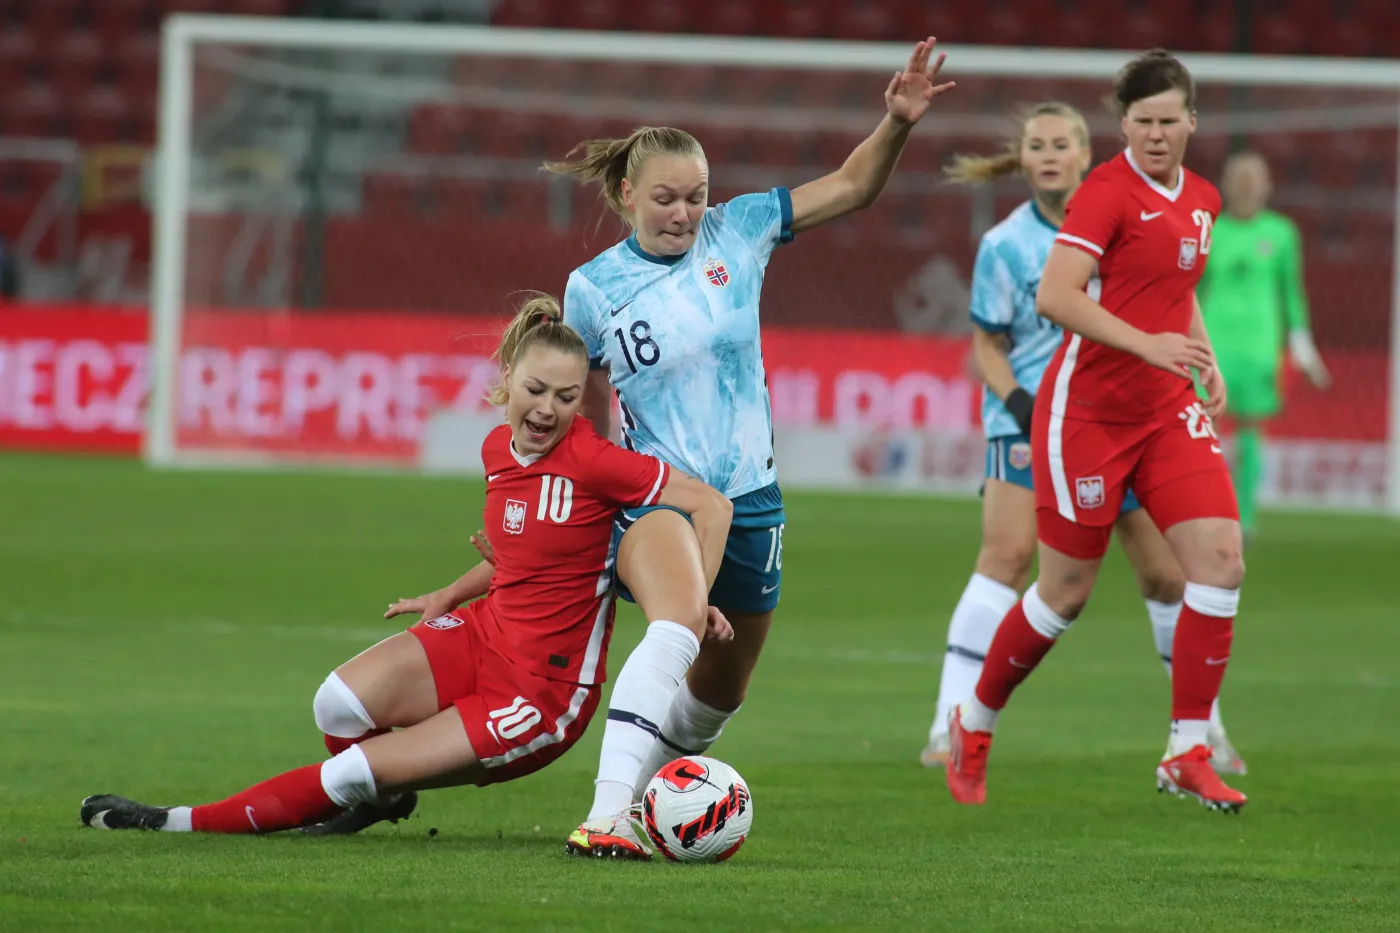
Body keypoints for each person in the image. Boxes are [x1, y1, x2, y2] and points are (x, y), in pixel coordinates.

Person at [78, 294, 735, 838]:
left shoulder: (593, 460)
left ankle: (175, 822)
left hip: (536, 695)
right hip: (483, 635)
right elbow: (524, 558)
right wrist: (451, 591)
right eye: (536, 389)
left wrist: (697, 599)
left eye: (566, 397)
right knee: (336, 704)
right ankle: (378, 797)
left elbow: (710, 504)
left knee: (347, 770)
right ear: (506, 378)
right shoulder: (496, 450)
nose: (548, 410)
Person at [544, 38, 956, 858]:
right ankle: (606, 810)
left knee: (716, 698)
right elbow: (577, 402)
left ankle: (645, 801)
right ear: (627, 194)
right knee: (675, 628)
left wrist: (896, 123)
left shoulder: (741, 231)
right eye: (666, 198)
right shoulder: (593, 288)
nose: (684, 213)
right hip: (659, 494)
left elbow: (851, 185)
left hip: (753, 500)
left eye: (696, 197)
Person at [944, 50, 1248, 812]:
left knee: (1217, 561)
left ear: (1191, 122)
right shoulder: (1106, 194)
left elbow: (1177, 292)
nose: (1154, 134)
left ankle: (1187, 747)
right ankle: (973, 720)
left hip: (1164, 412)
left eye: (1167, 120)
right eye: (1141, 122)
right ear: (1122, 126)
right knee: (1063, 594)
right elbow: (1054, 295)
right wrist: (1148, 345)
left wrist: (1202, 359)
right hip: (1084, 416)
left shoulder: (1203, 198)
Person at [1199, 151, 1329, 543]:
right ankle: (1207, 511)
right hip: (1212, 348)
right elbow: (1192, 291)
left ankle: (1245, 517)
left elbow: (1292, 294)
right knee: (1205, 432)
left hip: (1260, 349)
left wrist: (1302, 349)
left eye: (1253, 179)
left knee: (1252, 430)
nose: (1246, 186)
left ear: (1268, 186)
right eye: (1239, 178)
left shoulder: (1282, 234)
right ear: (1225, 184)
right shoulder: (1210, 230)